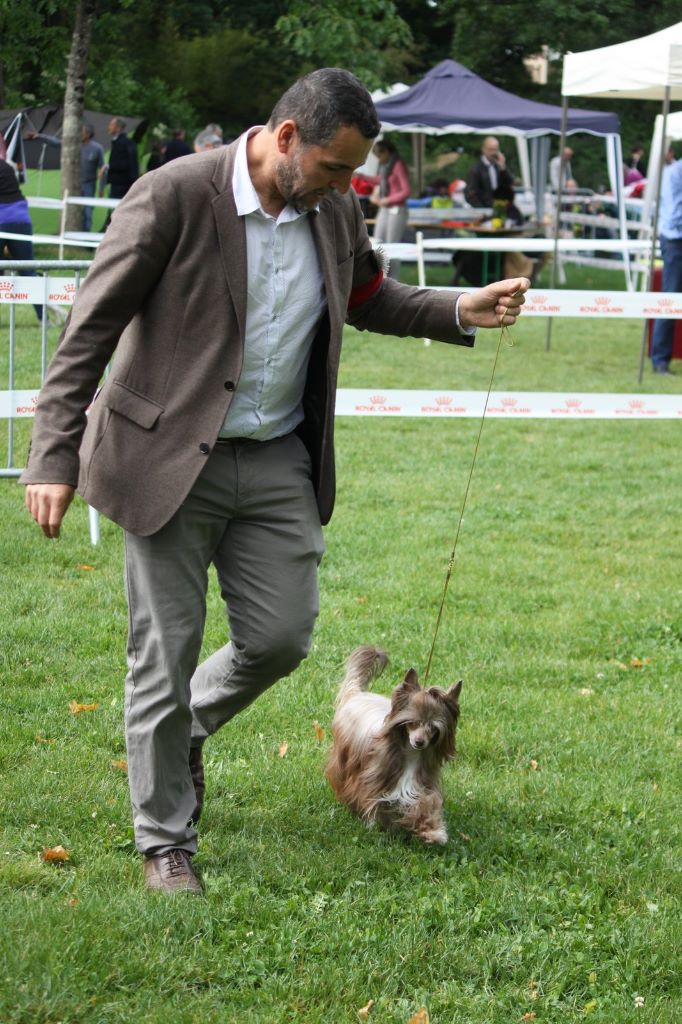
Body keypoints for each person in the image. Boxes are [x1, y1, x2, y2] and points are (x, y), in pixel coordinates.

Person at [22, 68, 528, 895]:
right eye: (336, 167)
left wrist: (455, 308)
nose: (346, 186)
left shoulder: (334, 208)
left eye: (354, 174)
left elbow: (368, 294)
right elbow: (90, 328)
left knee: (283, 637)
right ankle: (166, 841)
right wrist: (52, 455)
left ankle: (179, 730)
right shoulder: (172, 195)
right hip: (164, 459)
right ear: (285, 138)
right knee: (164, 653)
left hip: (275, 459)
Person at [26, 124, 104, 231]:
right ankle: (68, 234)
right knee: (70, 210)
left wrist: (101, 188)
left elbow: (102, 169)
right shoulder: (73, 145)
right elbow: (56, 142)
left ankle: (85, 238)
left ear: (88, 134)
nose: (78, 134)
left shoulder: (97, 148)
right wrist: (39, 136)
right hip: (73, 184)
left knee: (87, 211)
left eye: (81, 132)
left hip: (89, 185)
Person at [0, 156, 45, 321]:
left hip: (2, 220)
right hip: (21, 218)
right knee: (28, 270)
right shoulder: (6, 166)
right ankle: (43, 318)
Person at [650, 153, 682, 375]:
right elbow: (675, 214)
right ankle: (660, 361)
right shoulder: (676, 173)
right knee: (670, 300)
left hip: (673, 237)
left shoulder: (672, 171)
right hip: (675, 240)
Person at [364, 139, 410, 279]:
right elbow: (379, 180)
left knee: (392, 245)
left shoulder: (397, 165)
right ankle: (379, 277)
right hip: (384, 210)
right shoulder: (385, 167)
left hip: (396, 210)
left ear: (387, 152)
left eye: (379, 155)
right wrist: (362, 177)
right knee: (378, 242)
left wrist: (387, 200)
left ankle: (393, 280)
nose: (378, 158)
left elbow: (406, 191)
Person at [100, 117, 138, 228]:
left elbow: (123, 164)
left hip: (120, 184)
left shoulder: (120, 144)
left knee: (116, 210)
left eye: (111, 125)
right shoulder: (128, 143)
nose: (109, 127)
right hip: (126, 183)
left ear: (118, 128)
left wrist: (108, 166)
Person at [464, 136, 514, 209]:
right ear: (483, 149)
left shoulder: (498, 166)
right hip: (484, 209)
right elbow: (470, 194)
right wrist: (482, 209)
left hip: (500, 208)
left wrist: (503, 168)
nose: (493, 153)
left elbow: (509, 183)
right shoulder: (476, 169)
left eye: (495, 150)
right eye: (490, 149)